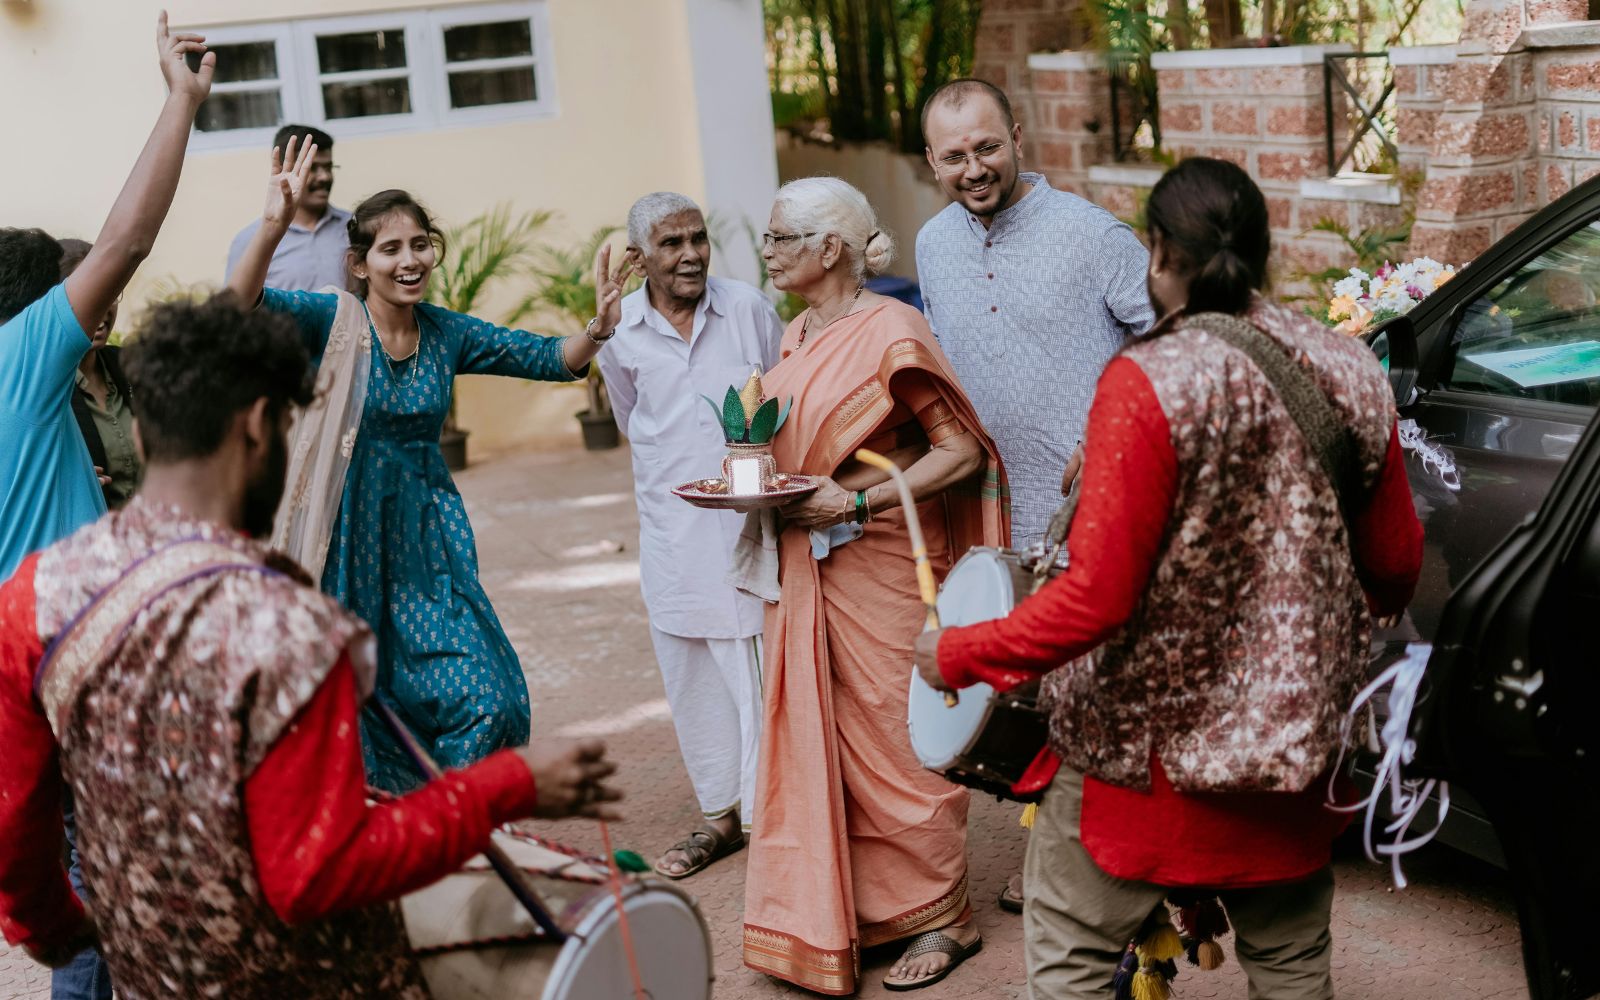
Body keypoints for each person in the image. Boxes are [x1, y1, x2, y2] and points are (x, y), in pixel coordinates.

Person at [0, 293, 622, 997]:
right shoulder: (292, 623)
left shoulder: (34, 596)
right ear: (262, 425)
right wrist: (509, 785)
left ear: (142, 438)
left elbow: (16, 824)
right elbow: (315, 874)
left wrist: (51, 927)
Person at [912, 158, 1424, 1000]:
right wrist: (1295, 635)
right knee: (1293, 968)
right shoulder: (1348, 368)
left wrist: (961, 653)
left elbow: (1097, 600)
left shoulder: (1148, 381)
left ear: (1157, 254)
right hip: (1289, 751)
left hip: (1144, 764)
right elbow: (1397, 566)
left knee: (1070, 963)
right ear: (1263, 252)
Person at [227, 147, 617, 793]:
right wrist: (273, 225)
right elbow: (240, 306)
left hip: (426, 543)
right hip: (341, 540)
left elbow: (548, 358)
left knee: (490, 699)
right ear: (359, 264)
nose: (409, 260)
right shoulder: (331, 320)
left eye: (419, 245)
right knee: (350, 702)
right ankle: (390, 830)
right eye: (390, 249)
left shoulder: (444, 332)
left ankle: (447, 815)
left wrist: (599, 329)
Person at [741, 177, 1008, 994]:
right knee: (828, 737)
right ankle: (862, 910)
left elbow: (959, 452)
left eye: (781, 237)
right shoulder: (797, 333)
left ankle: (946, 916)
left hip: (885, 560)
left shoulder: (893, 329)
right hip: (812, 563)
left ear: (830, 249)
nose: (767, 250)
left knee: (899, 740)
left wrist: (854, 502)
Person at [0, 17, 215, 999]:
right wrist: (180, 101)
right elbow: (128, 238)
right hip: (69, 663)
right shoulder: (23, 357)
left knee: (78, 884)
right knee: (109, 884)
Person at [595, 192, 783, 879]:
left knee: (757, 674)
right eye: (671, 244)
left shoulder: (747, 309)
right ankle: (721, 815)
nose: (691, 255)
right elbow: (629, 418)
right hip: (672, 533)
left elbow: (783, 398)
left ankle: (774, 819)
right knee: (692, 676)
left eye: (698, 239)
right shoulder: (619, 328)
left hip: (749, 530)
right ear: (639, 257)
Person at [916, 79, 1153, 551]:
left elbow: (1178, 341)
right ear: (932, 161)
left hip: (1092, 517)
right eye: (954, 157)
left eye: (987, 148)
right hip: (979, 523)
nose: (974, 170)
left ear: (1017, 139)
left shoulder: (1092, 234)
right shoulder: (932, 243)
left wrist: (1113, 435)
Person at [58, 241, 141, 510]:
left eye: (112, 292)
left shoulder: (131, 366)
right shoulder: (44, 390)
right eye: (90, 294)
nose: (103, 306)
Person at [226, 124, 349, 291]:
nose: (324, 177)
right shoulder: (251, 240)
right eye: (312, 168)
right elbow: (233, 302)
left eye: (328, 167)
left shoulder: (354, 227)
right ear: (285, 170)